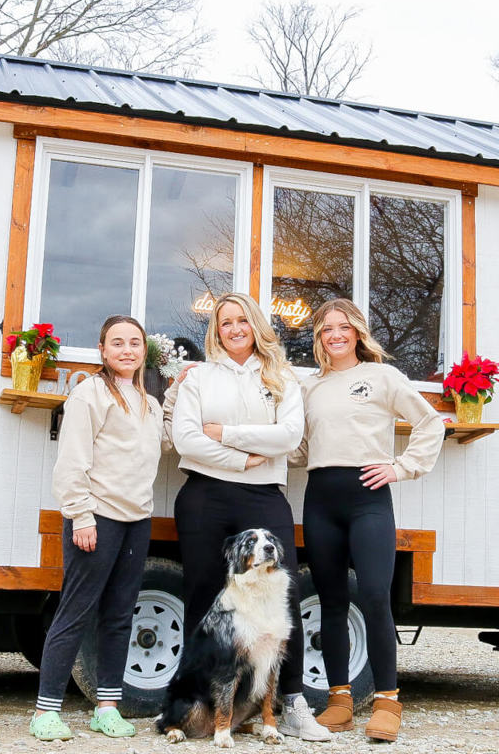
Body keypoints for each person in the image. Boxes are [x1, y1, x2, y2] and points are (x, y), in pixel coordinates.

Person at [167, 291, 332, 742]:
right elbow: (186, 439)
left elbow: (289, 435)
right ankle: (195, 705)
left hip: (263, 497)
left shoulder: (281, 376)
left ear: (255, 325)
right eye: (225, 323)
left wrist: (226, 434)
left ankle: (292, 703)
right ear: (215, 330)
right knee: (204, 602)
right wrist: (244, 457)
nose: (234, 329)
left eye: (242, 320)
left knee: (283, 600)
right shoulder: (199, 377)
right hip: (205, 496)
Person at [297, 298, 445, 743]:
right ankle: (339, 701)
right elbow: (300, 448)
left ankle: (386, 701)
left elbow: (430, 422)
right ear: (319, 338)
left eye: (343, 327)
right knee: (332, 602)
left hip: (368, 501)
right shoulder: (310, 387)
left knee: (376, 597)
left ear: (358, 332)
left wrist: (401, 467)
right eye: (326, 329)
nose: (335, 335)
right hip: (320, 499)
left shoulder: (382, 376)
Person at [30, 315, 164, 741]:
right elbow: (72, 460)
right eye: (117, 343)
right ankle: (45, 712)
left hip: (136, 520)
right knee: (75, 612)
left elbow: (168, 441)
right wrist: (80, 514)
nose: (127, 350)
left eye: (135, 343)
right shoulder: (89, 393)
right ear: (103, 351)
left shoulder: (150, 402)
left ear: (145, 351)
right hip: (96, 518)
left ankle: (107, 706)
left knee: (120, 615)